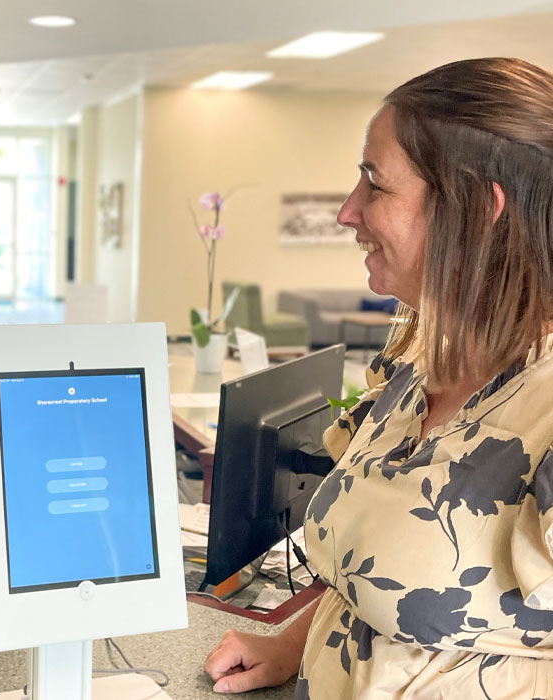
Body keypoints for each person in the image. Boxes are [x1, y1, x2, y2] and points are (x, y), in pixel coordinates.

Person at [204, 57, 553, 698]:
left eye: (375, 184)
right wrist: (291, 644)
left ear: (477, 209)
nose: (346, 211)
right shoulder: (421, 355)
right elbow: (375, 569)